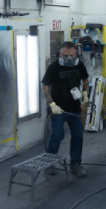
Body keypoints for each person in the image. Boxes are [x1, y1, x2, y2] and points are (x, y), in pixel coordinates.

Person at [41, 41, 89, 177]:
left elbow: (85, 80)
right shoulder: (54, 67)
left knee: (78, 136)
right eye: (65, 55)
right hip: (59, 110)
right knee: (57, 135)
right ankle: (49, 162)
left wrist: (85, 93)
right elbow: (45, 87)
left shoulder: (79, 64)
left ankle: (75, 164)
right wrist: (52, 104)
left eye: (71, 55)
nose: (69, 58)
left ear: (75, 53)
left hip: (75, 108)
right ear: (60, 54)